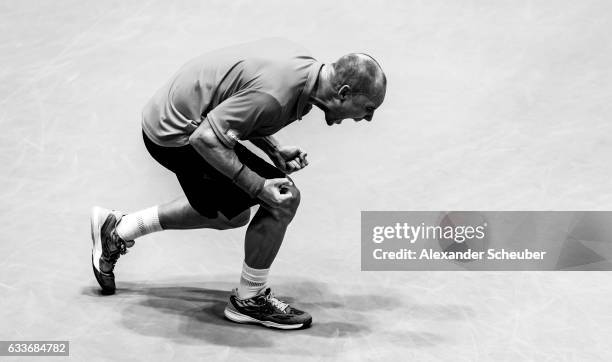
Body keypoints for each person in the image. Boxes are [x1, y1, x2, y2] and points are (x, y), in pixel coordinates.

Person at [90, 38, 386, 330]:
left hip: (181, 114)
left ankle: (120, 228)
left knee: (231, 214)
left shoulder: (302, 68)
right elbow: (206, 138)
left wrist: (273, 149)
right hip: (175, 133)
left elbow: (239, 103)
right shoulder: (276, 96)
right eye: (368, 107)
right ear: (344, 93)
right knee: (283, 198)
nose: (369, 118)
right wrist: (258, 187)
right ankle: (250, 300)